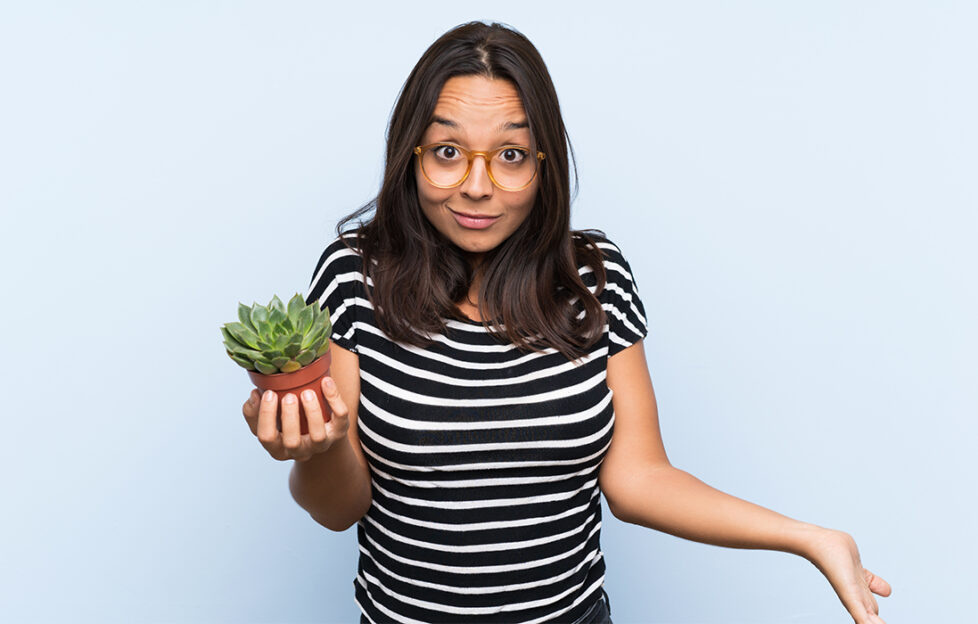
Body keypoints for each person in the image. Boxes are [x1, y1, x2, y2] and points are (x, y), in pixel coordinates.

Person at [240, 20, 891, 624]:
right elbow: (339, 508)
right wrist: (319, 448)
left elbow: (638, 479)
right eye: (447, 151)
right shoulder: (356, 276)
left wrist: (808, 538)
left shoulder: (595, 276)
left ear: (544, 163)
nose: (476, 184)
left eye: (512, 156)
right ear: (412, 158)